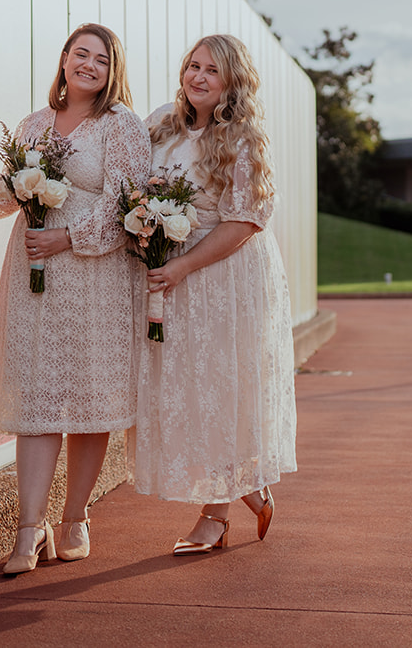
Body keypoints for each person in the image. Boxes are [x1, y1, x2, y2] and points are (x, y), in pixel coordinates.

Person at [0, 23, 151, 575]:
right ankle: (28, 530)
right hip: (34, 275)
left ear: (112, 72)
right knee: (37, 393)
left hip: (95, 278)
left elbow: (126, 203)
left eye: (100, 60)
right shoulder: (34, 124)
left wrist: (67, 237)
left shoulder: (120, 125)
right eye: (80, 54)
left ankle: (75, 517)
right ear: (63, 59)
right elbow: (10, 193)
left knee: (88, 396)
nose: (88, 65)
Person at [136, 34, 297, 554]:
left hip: (225, 277)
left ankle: (215, 517)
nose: (198, 77)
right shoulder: (162, 123)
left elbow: (247, 220)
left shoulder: (243, 138)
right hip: (174, 275)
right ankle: (250, 488)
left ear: (231, 83)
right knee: (188, 392)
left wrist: (182, 264)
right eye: (193, 66)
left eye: (212, 71)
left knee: (222, 388)